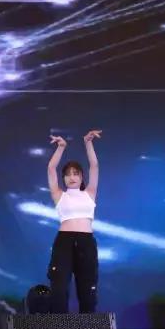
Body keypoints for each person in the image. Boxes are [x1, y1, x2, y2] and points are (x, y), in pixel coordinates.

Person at [46, 130, 102, 313]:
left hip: (86, 242)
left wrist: (88, 143)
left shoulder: (90, 193)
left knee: (87, 289)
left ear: (81, 177)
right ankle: (60, 327)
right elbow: (51, 168)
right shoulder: (59, 195)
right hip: (64, 242)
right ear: (63, 178)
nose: (71, 177)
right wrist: (61, 147)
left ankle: (88, 327)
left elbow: (94, 166)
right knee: (59, 287)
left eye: (75, 173)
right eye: (68, 174)